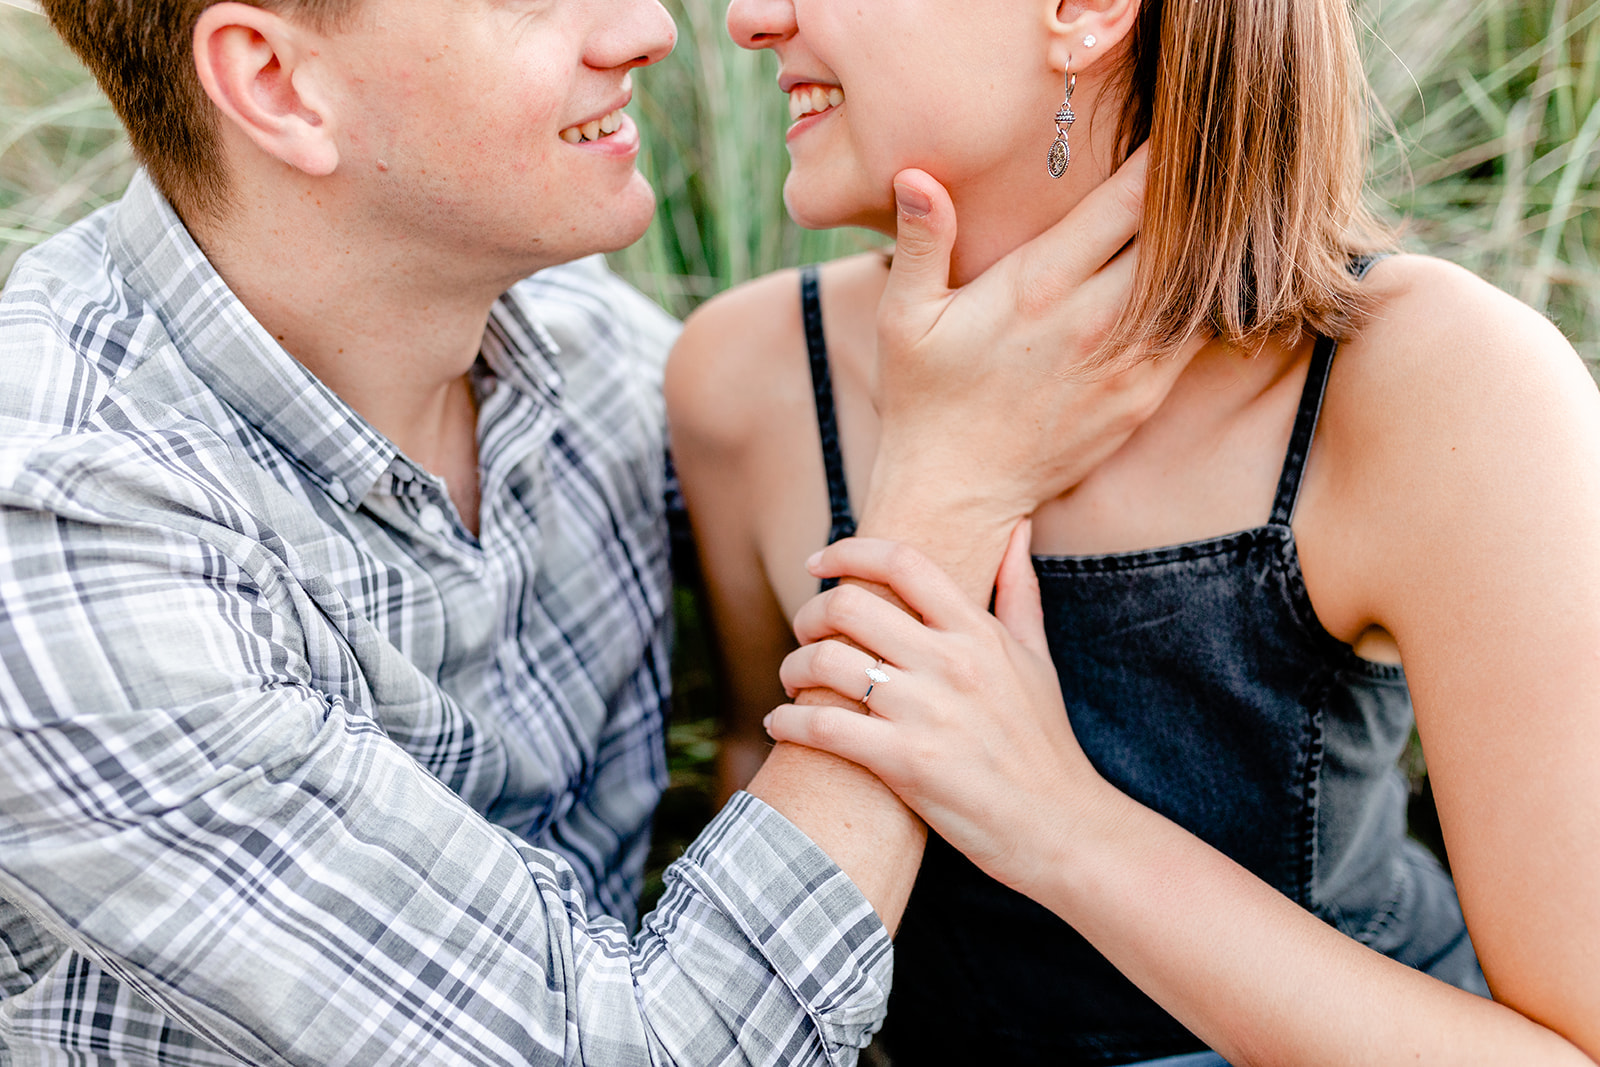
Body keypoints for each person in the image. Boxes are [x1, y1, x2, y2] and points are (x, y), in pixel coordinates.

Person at [0, 0, 1189, 1063]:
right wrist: (948, 488)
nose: (650, 29)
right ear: (274, 82)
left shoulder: (588, 358)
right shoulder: (56, 531)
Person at [671, 0, 1600, 1063]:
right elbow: (758, 825)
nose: (750, 18)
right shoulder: (744, 380)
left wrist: (1062, 826)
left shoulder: (1441, 385)